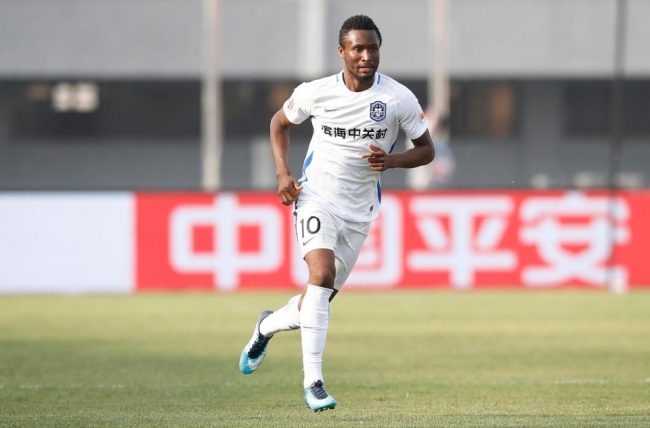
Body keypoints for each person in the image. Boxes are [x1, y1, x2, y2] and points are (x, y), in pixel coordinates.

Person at [239, 14, 435, 412]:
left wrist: (392, 161)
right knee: (321, 274)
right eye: (358, 49)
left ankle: (266, 326)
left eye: (373, 49)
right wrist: (283, 173)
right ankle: (314, 383)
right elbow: (279, 123)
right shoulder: (316, 93)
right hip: (317, 197)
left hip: (359, 210)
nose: (366, 56)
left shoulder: (398, 99)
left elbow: (426, 149)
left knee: (318, 299)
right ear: (341, 51)